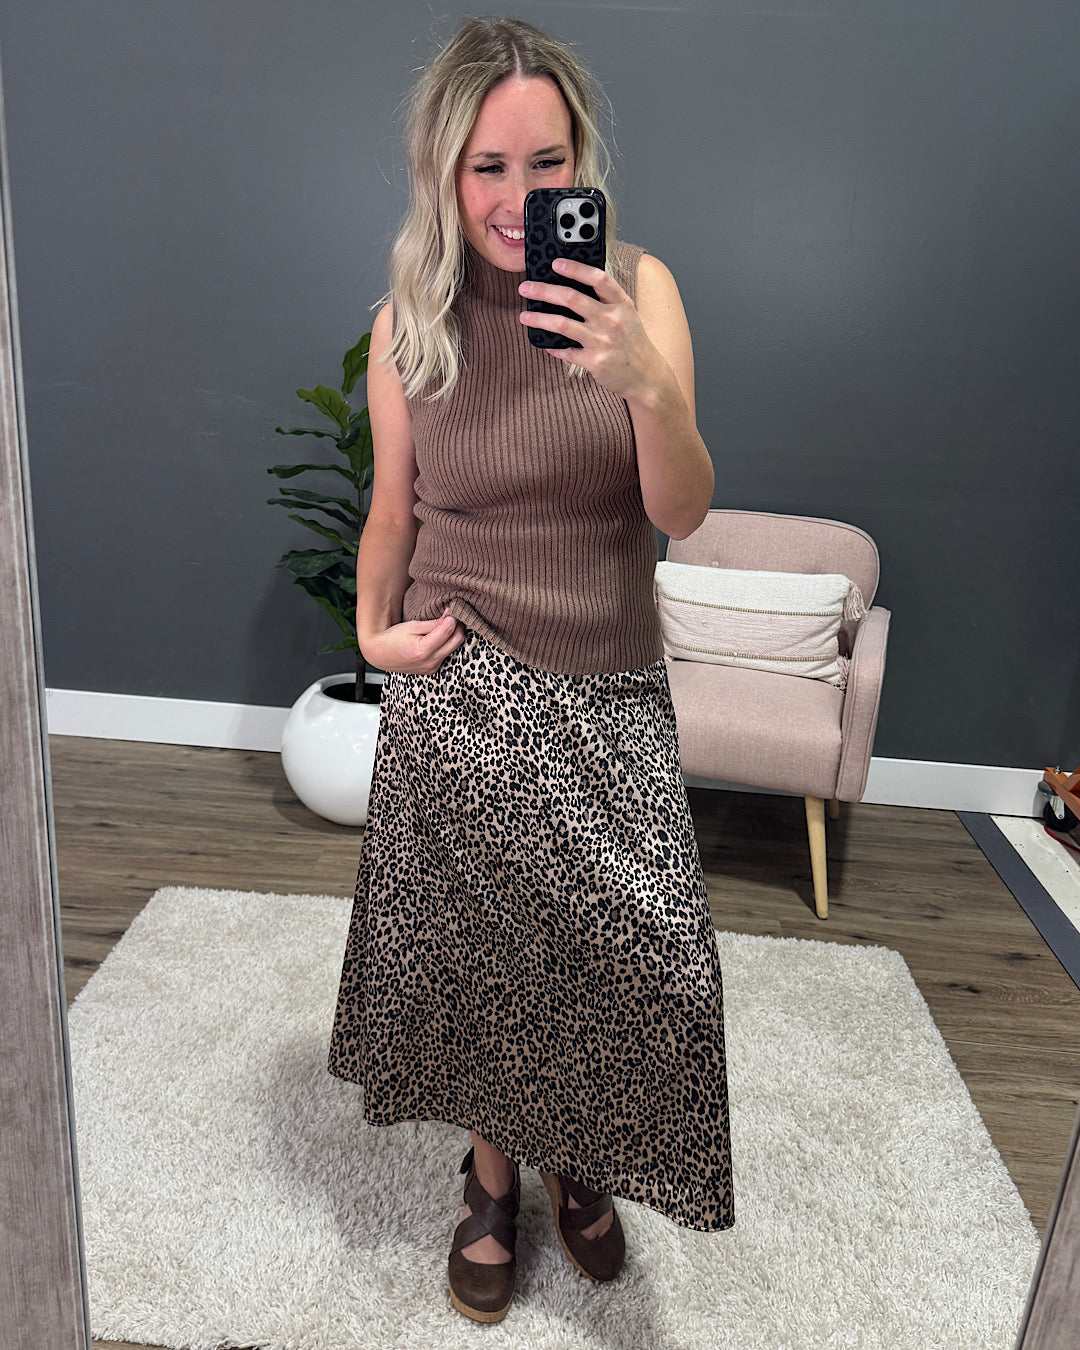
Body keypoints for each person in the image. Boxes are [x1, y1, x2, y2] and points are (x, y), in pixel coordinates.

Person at [328, 16, 733, 1324]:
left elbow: (680, 513)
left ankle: (582, 1150)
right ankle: (493, 1177)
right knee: (487, 958)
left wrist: (644, 383)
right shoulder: (409, 325)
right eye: (488, 168)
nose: (518, 197)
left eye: (545, 163)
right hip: (466, 682)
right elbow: (394, 512)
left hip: (609, 681)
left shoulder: (641, 289)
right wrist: (370, 634)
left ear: (581, 162)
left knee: (630, 960)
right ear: (444, 173)